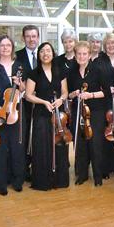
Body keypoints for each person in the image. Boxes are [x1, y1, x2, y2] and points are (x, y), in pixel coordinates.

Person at [25, 42, 69, 190]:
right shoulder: (33, 73)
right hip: (41, 114)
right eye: (42, 51)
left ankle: (60, 180)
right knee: (42, 147)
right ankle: (43, 181)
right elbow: (28, 95)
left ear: (53, 53)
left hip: (58, 115)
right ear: (39, 55)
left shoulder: (60, 71)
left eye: (48, 51)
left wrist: (61, 100)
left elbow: (65, 92)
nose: (45, 54)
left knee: (59, 145)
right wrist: (43, 102)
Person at [68, 41, 109, 186]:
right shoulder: (72, 72)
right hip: (78, 111)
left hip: (95, 112)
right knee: (80, 143)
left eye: (84, 53)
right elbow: (68, 95)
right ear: (75, 55)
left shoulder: (98, 69)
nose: (81, 56)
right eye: (79, 53)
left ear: (90, 54)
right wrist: (73, 94)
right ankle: (82, 175)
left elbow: (106, 92)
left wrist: (90, 95)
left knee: (95, 143)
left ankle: (98, 176)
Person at [0, 35, 26, 195]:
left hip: (17, 113)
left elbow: (26, 91)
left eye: (8, 45)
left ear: (12, 48)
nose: (5, 48)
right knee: (0, 149)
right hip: (0, 114)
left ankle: (18, 180)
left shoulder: (20, 66)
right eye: (2, 45)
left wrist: (21, 85)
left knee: (17, 147)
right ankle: (1, 183)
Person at [95, 33, 114, 179]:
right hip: (104, 102)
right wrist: (108, 89)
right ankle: (104, 169)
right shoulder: (99, 61)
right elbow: (96, 81)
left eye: (113, 43)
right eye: (108, 44)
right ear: (105, 46)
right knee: (104, 135)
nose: (111, 46)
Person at [15, 25, 40, 180]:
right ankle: (24, 170)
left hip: (42, 104)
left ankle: (38, 169)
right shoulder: (16, 57)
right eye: (28, 36)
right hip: (24, 105)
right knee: (24, 137)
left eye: (34, 36)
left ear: (38, 37)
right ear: (23, 38)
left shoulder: (46, 55)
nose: (31, 39)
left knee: (38, 137)